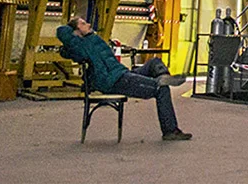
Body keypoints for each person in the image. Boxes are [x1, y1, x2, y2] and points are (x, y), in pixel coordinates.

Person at [56, 16, 191, 141]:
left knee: (154, 63)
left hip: (121, 73)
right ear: (76, 31)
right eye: (83, 23)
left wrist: (80, 30)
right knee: (161, 89)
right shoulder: (78, 46)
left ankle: (163, 76)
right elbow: (61, 31)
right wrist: (72, 30)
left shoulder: (93, 39)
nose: (89, 24)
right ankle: (170, 131)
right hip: (113, 81)